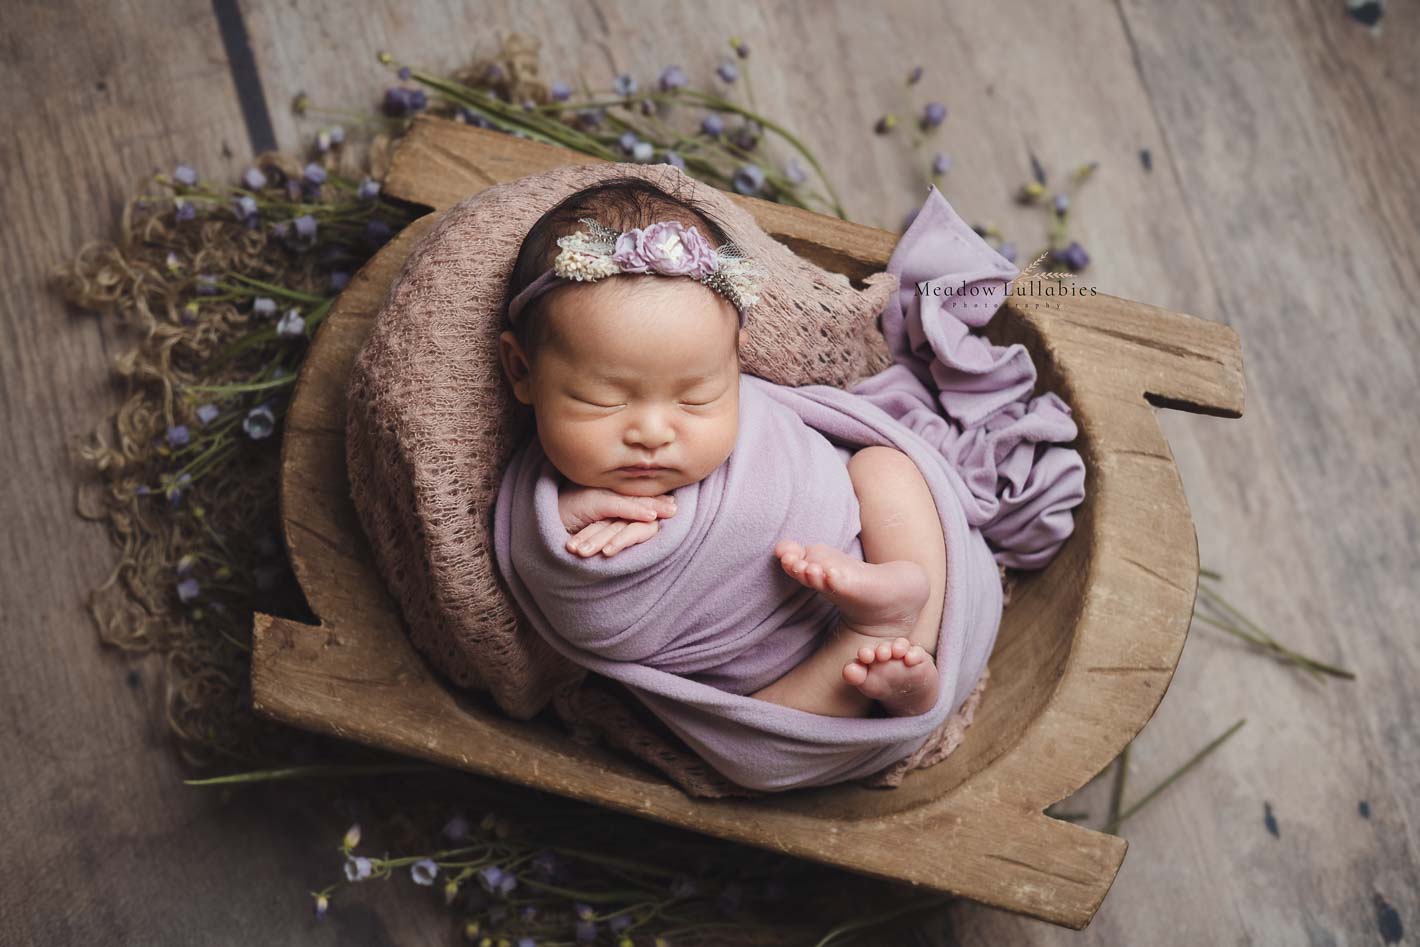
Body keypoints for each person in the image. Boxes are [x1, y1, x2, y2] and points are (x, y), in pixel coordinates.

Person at [495, 177, 947, 718]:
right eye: (604, 401)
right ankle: (881, 651)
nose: (653, 432)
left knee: (887, 469)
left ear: (735, 363)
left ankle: (915, 635)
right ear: (523, 371)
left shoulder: (753, 414)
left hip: (861, 546)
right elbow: (587, 618)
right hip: (773, 672)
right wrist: (564, 526)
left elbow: (811, 449)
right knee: (757, 735)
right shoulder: (540, 500)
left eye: (696, 398)